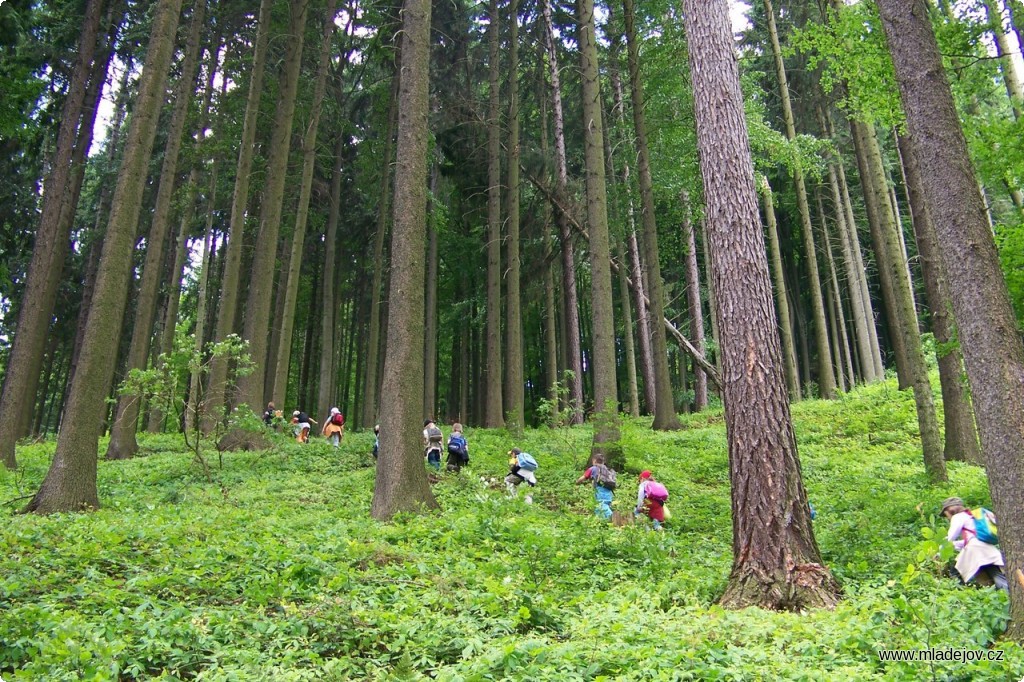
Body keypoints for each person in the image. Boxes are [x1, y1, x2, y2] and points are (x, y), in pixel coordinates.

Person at [940, 497, 1007, 590]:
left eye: (945, 513)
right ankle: (1007, 596)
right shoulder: (971, 515)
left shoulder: (958, 517)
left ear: (949, 509)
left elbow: (951, 537)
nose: (946, 517)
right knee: (995, 574)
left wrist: (939, 550)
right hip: (987, 549)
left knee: (955, 571)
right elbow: (969, 539)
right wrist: (954, 545)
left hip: (975, 550)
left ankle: (960, 592)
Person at [575, 453, 615, 521]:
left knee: (601, 506)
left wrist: (577, 482)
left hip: (600, 491)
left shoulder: (593, 468)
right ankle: (602, 523)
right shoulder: (608, 470)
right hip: (609, 492)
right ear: (603, 461)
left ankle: (614, 519)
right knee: (601, 508)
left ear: (594, 460)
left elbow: (583, 478)